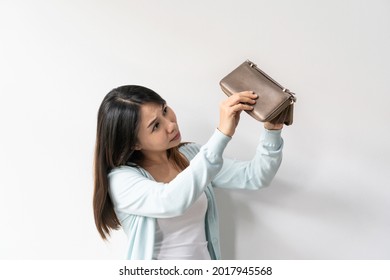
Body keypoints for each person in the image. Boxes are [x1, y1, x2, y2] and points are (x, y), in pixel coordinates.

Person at [93, 85, 284, 260]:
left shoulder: (191, 155)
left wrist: (272, 130)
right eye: (156, 126)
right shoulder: (120, 180)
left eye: (165, 110)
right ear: (134, 143)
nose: (171, 125)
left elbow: (255, 176)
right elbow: (172, 200)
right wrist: (221, 135)